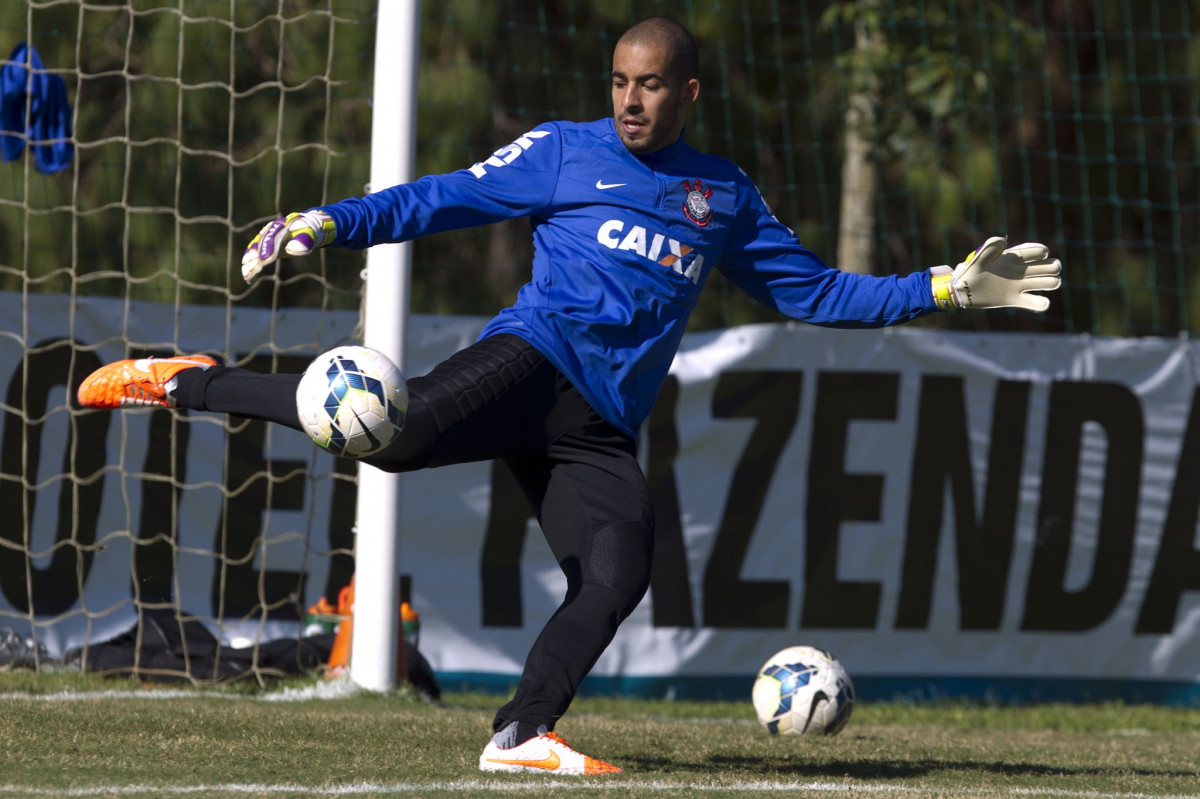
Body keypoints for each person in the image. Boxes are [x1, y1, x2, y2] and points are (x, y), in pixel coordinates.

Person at [77, 17, 1061, 775]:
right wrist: (330, 221)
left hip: (598, 422)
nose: (632, 102)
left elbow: (819, 293)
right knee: (394, 434)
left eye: (651, 86)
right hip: (529, 359)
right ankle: (189, 382)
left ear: (688, 90)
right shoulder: (563, 151)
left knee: (617, 573)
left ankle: (520, 734)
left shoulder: (722, 196)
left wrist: (946, 285)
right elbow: (440, 197)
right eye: (621, 84)